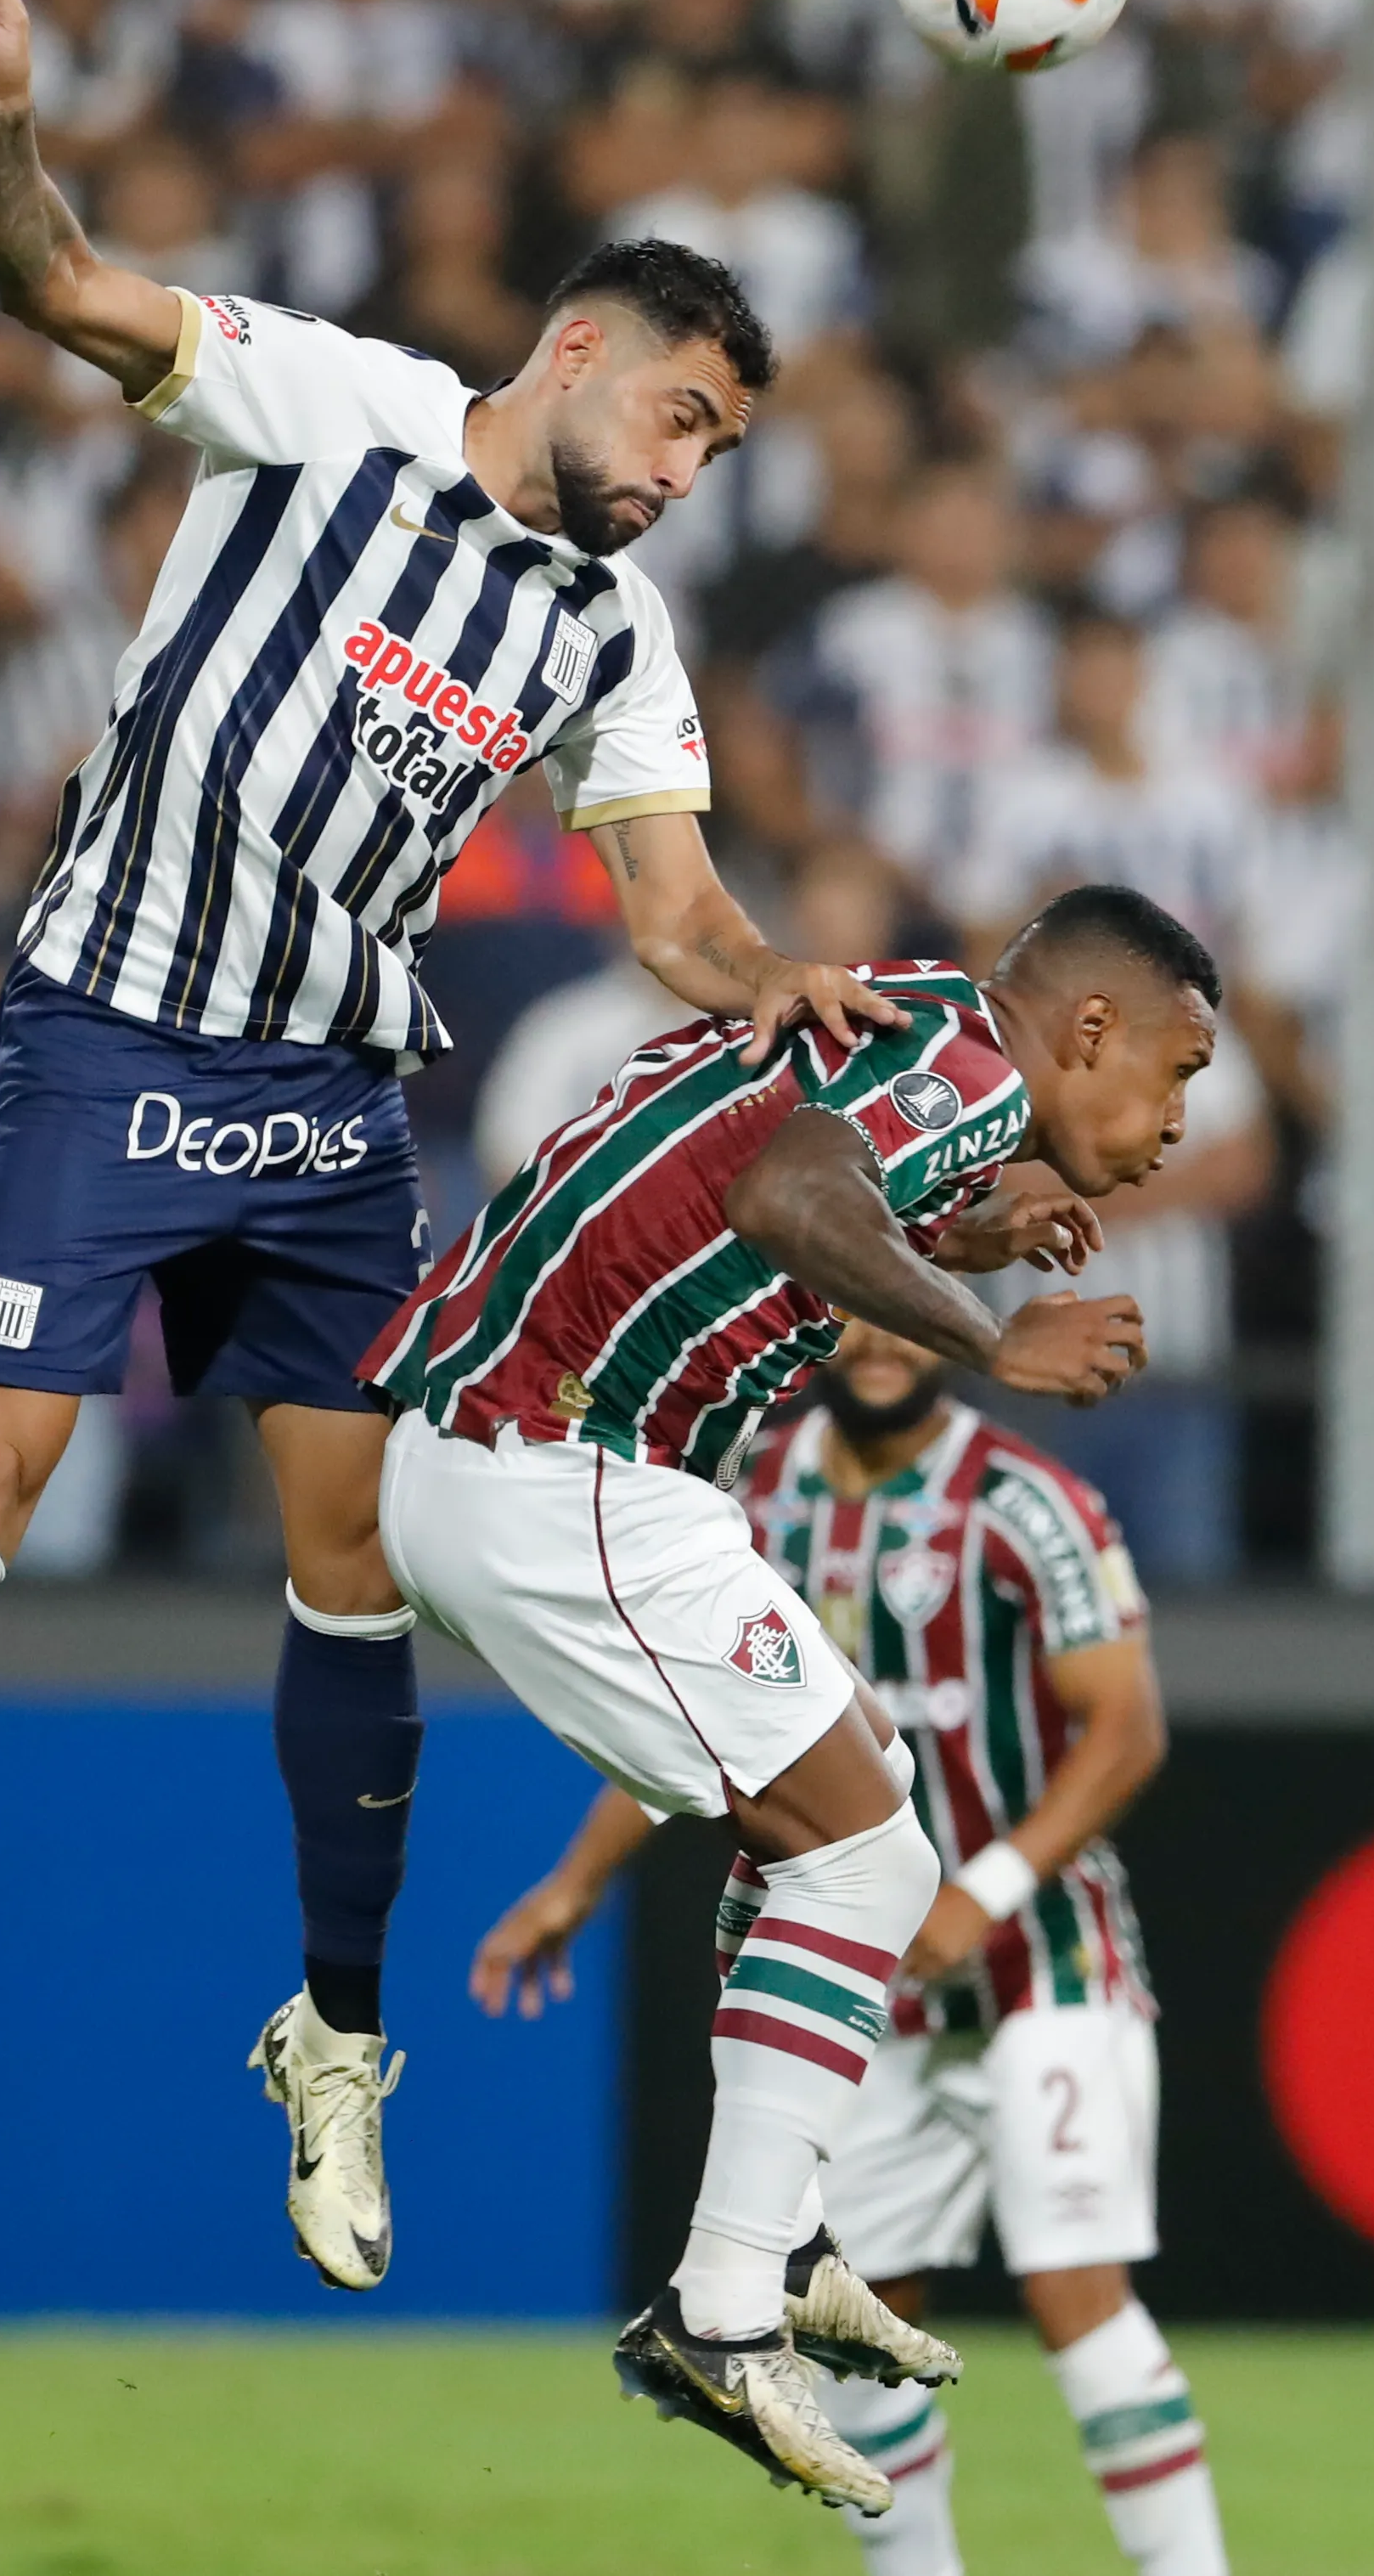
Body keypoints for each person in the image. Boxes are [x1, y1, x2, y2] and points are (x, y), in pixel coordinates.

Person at [0, 0, 899, 2306]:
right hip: (108, 1030)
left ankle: (337, 2034)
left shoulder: (607, 633)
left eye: (718, 451)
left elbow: (677, 913)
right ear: (575, 352)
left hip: (319, 1096)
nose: (687, 477)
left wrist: (780, 975)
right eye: (682, 418)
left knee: (354, 1552)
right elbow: (62, 282)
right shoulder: (328, 404)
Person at [363, 884, 1218, 2501]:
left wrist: (963, 1230)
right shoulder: (965, 1068)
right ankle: (724, 2300)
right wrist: (991, 1333)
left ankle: (768, 2233)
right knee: (876, 1853)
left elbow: (767, 1183)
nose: (1177, 1121)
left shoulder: (911, 1018)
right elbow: (787, 1194)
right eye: (1177, 1071)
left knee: (841, 1774)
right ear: (1090, 1028)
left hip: (495, 1452)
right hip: (567, 1461)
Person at [474, 1322, 1230, 2576]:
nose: (880, 1341)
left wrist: (980, 1891)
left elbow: (1128, 1727)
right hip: (869, 1990)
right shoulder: (754, 1495)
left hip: (1046, 1966)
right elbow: (689, 1715)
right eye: (855, 1308)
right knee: (860, 2334)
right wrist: (577, 1879)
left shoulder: (1025, 1502)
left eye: (905, 1308)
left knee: (1078, 2303)